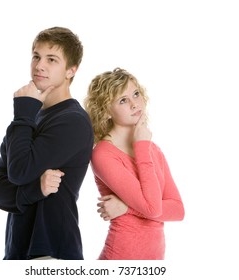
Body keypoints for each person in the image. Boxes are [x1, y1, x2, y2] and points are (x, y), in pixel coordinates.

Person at [0, 27, 94, 260]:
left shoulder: (72, 121)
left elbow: (19, 171)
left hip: (51, 253)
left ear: (71, 70)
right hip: (18, 252)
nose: (39, 65)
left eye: (52, 59)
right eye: (36, 56)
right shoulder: (29, 117)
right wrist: (37, 188)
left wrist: (23, 113)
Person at [84, 68, 185, 260]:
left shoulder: (152, 149)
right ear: (106, 110)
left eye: (136, 94)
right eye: (123, 100)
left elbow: (178, 210)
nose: (134, 104)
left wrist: (126, 208)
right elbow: (153, 209)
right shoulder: (103, 154)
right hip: (122, 257)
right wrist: (141, 146)